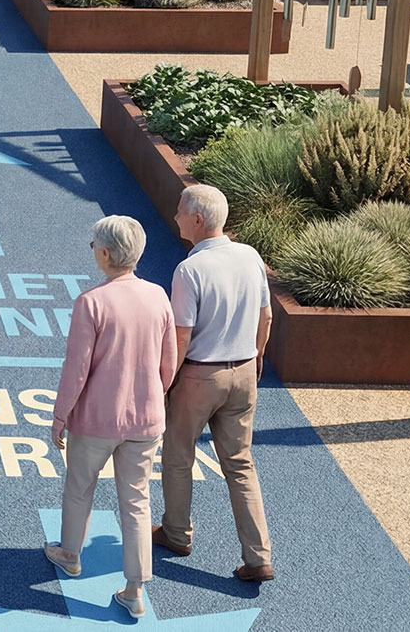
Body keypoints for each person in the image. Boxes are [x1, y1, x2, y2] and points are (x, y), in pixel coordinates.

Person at [44, 216, 178, 621]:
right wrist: (152, 396)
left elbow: (76, 370)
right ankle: (135, 589)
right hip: (146, 420)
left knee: (79, 487)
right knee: (136, 502)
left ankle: (70, 554)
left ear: (104, 254)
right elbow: (168, 364)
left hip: (95, 421)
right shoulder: (158, 297)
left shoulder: (90, 303)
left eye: (93, 246)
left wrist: (60, 416)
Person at [158, 184, 275, 584]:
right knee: (240, 465)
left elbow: (181, 337)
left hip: (198, 377)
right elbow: (266, 316)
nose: (175, 216)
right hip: (244, 372)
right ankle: (259, 557)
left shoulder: (189, 270)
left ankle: (176, 534)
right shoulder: (250, 256)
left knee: (178, 457)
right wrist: (257, 357)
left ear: (197, 219)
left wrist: (164, 384)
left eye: (180, 211)